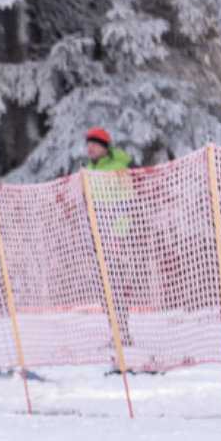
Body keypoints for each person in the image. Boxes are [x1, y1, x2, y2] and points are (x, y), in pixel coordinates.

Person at [83, 127, 136, 346]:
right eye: (88, 144)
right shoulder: (88, 169)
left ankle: (123, 332)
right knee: (103, 288)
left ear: (104, 147)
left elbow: (126, 205)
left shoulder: (118, 169)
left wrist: (118, 237)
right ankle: (113, 331)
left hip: (114, 238)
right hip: (96, 237)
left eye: (94, 144)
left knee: (116, 285)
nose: (90, 148)